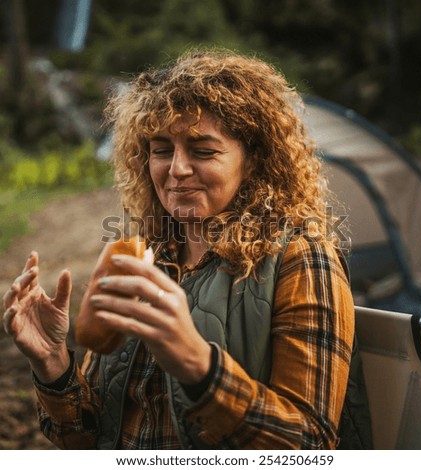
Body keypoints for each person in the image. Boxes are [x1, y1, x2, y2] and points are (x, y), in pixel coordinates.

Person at [2, 49, 371, 450]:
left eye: (202, 150)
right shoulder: (146, 259)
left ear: (254, 161)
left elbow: (309, 444)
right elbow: (86, 440)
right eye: (161, 149)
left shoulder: (300, 259)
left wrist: (199, 364)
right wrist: (52, 360)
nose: (176, 168)